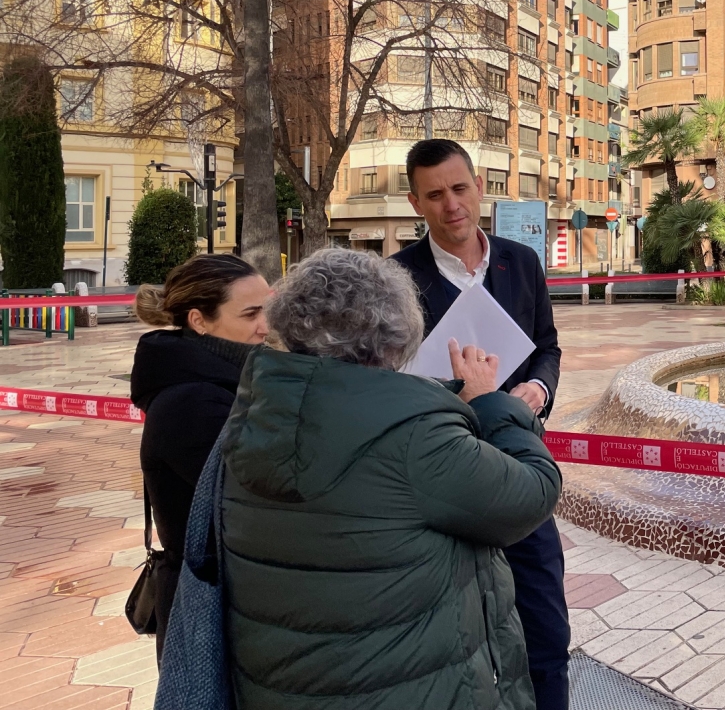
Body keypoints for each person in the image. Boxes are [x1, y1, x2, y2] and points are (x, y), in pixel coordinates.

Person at [220, 248, 561, 709]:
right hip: (410, 686)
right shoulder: (414, 437)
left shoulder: (253, 410)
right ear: (393, 335)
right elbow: (532, 493)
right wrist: (489, 402)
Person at [392, 139, 570, 710]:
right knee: (454, 643)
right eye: (435, 195)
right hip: (440, 479)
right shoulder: (396, 281)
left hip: (518, 469)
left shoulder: (521, 262)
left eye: (459, 188)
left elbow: (547, 346)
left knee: (545, 626)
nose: (452, 206)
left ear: (480, 186)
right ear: (417, 203)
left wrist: (536, 390)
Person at [129, 254, 269, 662]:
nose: (266, 326)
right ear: (199, 320)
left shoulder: (222, 380)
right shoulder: (194, 398)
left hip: (223, 592)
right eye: (250, 314)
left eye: (268, 310)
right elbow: (259, 492)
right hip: (207, 604)